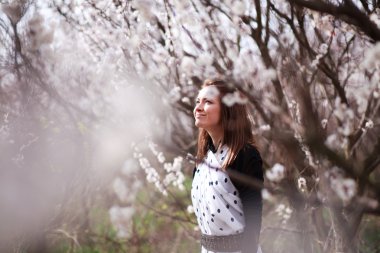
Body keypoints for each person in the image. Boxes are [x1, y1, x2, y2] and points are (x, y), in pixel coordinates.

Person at [191, 79, 263, 253]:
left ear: (228, 110)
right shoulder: (202, 161)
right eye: (197, 102)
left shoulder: (244, 156)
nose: (198, 108)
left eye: (207, 102)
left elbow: (253, 223)